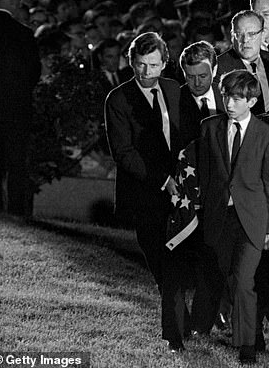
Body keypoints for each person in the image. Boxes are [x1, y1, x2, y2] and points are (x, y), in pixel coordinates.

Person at [196, 69, 269, 364]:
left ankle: (245, 345)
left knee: (243, 279)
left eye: (236, 98)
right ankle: (254, 334)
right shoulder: (209, 127)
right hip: (220, 219)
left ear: (252, 101)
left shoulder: (267, 136)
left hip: (253, 220)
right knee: (230, 280)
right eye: (226, 96)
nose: (229, 103)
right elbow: (206, 179)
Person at [104, 32, 182, 350]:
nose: (147, 73)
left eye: (153, 65)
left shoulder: (175, 90)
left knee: (178, 257)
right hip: (144, 189)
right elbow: (123, 152)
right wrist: (163, 179)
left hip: (180, 188)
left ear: (164, 63)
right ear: (131, 62)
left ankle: (179, 324)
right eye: (140, 65)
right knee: (157, 255)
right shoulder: (119, 99)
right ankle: (177, 316)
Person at [0, 0, 41, 215]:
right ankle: (17, 212)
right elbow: (33, 73)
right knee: (16, 165)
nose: (21, 1)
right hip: (16, 110)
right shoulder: (22, 35)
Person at [214, 10, 269, 115]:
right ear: (232, 36)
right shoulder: (219, 67)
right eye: (239, 34)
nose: (245, 40)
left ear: (263, 34)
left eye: (252, 34)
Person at [178, 41, 225, 146]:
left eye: (203, 76)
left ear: (214, 70)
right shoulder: (175, 100)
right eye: (190, 77)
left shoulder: (227, 94)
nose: (197, 83)